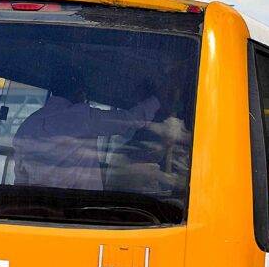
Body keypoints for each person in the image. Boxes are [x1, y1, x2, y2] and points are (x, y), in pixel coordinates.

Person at [14, 78, 182, 191]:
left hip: (36, 208)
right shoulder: (81, 116)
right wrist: (158, 98)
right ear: (81, 94)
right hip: (81, 210)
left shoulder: (26, 125)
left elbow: (20, 178)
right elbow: (130, 120)